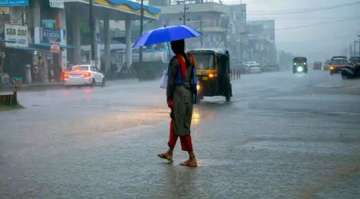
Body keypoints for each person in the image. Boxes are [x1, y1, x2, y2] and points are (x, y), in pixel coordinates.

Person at [158, 39, 198, 167]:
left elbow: (170, 83)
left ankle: (192, 157)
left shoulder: (175, 62)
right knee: (176, 123)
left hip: (179, 95)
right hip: (188, 95)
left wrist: (169, 98)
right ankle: (170, 152)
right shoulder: (191, 59)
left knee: (182, 127)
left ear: (174, 47)